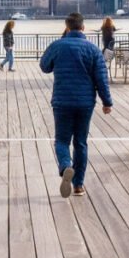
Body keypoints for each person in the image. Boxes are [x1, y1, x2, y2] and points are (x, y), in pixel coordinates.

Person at [39, 12, 112, 198]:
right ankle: (78, 185)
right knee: (80, 142)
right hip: (85, 102)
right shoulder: (93, 49)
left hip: (62, 101)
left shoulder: (58, 46)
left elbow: (44, 66)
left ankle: (65, 166)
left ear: (67, 26)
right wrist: (107, 102)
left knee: (62, 140)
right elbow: (101, 78)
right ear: (83, 27)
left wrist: (62, 42)